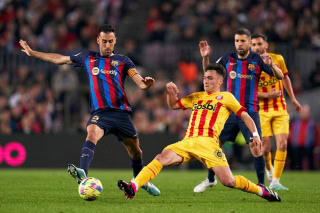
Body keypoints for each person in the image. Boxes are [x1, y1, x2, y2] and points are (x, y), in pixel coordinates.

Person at [19, 24, 160, 196]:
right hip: (100, 114)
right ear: (98, 40)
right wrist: (33, 53)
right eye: (104, 41)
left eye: (111, 42)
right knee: (92, 133)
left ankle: (139, 181)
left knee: (136, 152)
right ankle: (83, 173)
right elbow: (59, 59)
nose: (108, 45)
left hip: (121, 114)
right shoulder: (87, 57)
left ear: (115, 41)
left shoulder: (124, 61)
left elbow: (139, 81)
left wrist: (146, 85)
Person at [117, 63, 281, 202]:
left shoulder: (226, 97)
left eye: (210, 78)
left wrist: (255, 135)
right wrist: (171, 94)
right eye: (204, 78)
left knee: (229, 181)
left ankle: (261, 191)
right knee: (161, 157)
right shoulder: (197, 96)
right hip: (188, 141)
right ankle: (134, 186)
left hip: (209, 143)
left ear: (220, 81)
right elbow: (174, 105)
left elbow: (246, 116)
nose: (206, 81)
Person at [194, 28, 284, 193]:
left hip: (249, 112)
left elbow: (280, 76)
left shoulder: (257, 60)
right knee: (214, 144)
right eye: (237, 41)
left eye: (243, 41)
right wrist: (205, 57)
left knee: (256, 147)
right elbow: (209, 73)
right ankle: (211, 179)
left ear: (249, 43)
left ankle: (261, 185)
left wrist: (273, 67)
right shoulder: (227, 59)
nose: (239, 44)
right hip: (229, 112)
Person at [251, 33, 302, 190]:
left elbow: (285, 78)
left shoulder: (278, 58)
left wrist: (292, 98)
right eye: (253, 45)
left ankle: (276, 181)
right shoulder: (250, 65)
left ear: (265, 45)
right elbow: (250, 91)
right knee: (265, 148)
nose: (257, 47)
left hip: (280, 108)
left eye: (259, 44)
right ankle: (269, 171)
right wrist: (268, 95)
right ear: (250, 47)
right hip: (261, 111)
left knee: (282, 144)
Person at [288, 104, 319, 170]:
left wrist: (316, 146)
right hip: (296, 146)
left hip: (308, 147)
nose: (303, 114)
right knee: (296, 163)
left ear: (308, 113)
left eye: (305, 112)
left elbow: (316, 135)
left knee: (310, 163)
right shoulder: (295, 123)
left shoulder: (312, 124)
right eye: (302, 112)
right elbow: (291, 134)